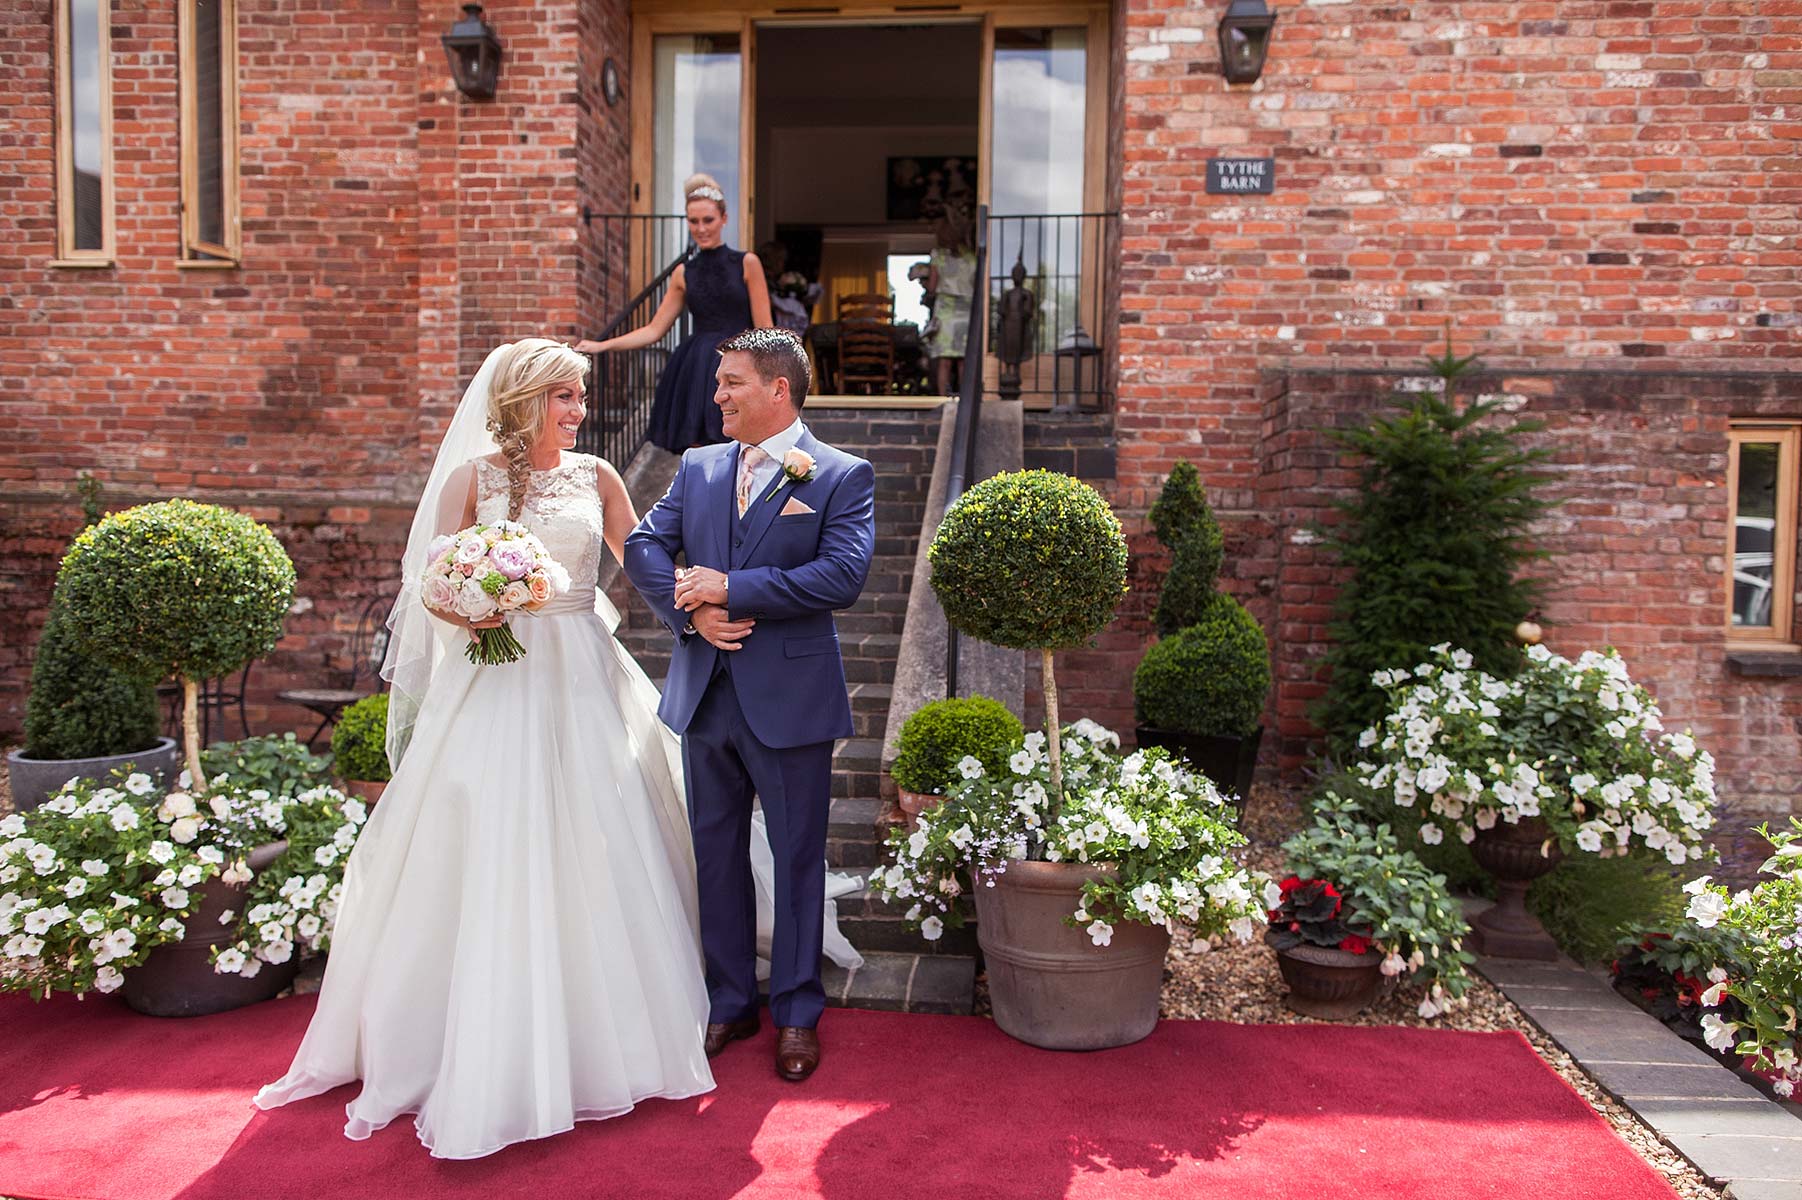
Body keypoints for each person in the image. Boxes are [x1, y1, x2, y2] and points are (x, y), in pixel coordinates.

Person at [254, 338, 861, 1159]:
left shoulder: (627, 476)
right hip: (496, 683)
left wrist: (703, 602)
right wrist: (473, 605)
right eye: (566, 398)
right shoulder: (497, 479)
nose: (579, 412)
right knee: (550, 841)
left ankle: (778, 1012)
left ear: (777, 389)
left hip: (596, 675)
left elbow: (663, 555)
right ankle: (710, 1004)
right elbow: (437, 585)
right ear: (525, 399)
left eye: (579, 398)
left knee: (643, 837)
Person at [625, 328, 875, 1084]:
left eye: (732, 382)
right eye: (719, 382)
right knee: (716, 855)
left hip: (792, 700)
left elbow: (842, 576)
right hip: (705, 694)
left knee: (798, 858)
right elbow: (642, 545)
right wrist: (688, 612)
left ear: (779, 390)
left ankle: (797, 1013)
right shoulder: (698, 467)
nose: (718, 395)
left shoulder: (838, 473)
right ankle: (729, 999)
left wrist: (731, 587)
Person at [576, 174, 772, 454]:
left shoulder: (746, 263)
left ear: (724, 219)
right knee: (699, 451)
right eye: (694, 221)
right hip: (696, 367)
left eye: (708, 220)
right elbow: (654, 330)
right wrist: (603, 345)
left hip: (740, 361)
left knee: (742, 447)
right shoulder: (684, 273)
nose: (701, 228)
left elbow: (766, 329)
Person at [924, 206, 976, 396]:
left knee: (944, 361)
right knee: (963, 361)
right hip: (967, 312)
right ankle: (965, 399)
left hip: (946, 311)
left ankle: (942, 400)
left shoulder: (939, 256)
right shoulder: (972, 258)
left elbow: (932, 286)